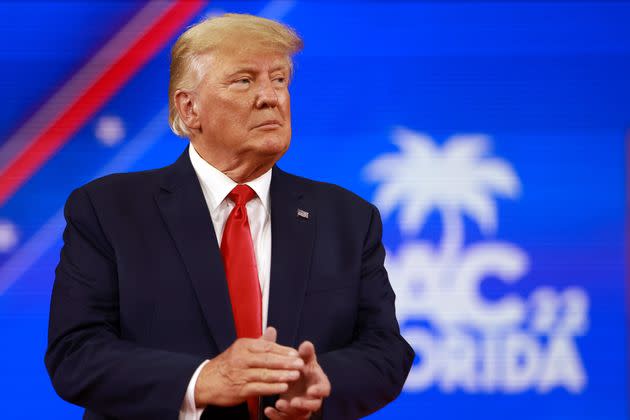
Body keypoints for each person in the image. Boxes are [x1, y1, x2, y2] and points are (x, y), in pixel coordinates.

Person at [45, 13, 414, 420]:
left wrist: (322, 384)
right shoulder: (108, 209)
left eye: (279, 80)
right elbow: (75, 354)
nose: (270, 96)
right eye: (244, 80)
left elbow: (386, 350)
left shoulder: (348, 218)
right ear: (189, 109)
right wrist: (202, 380)